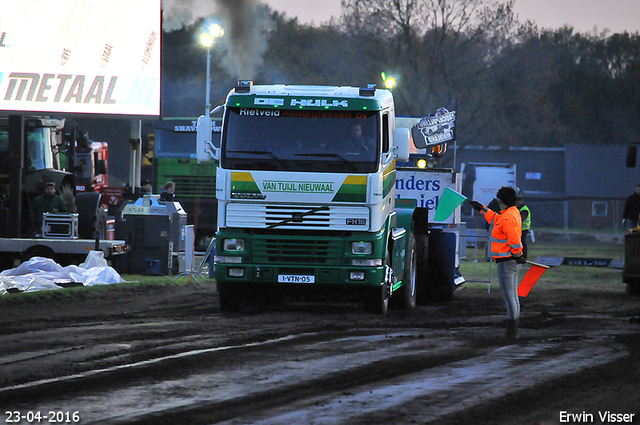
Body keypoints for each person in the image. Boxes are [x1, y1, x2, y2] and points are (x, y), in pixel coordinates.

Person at [470, 186, 525, 338]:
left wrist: (518, 254)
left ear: (501, 200)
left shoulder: (508, 217)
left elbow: (513, 239)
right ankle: (514, 323)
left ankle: (512, 326)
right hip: (511, 261)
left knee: (509, 296)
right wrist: (482, 209)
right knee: (513, 295)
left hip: (507, 261)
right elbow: (496, 218)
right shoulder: (511, 213)